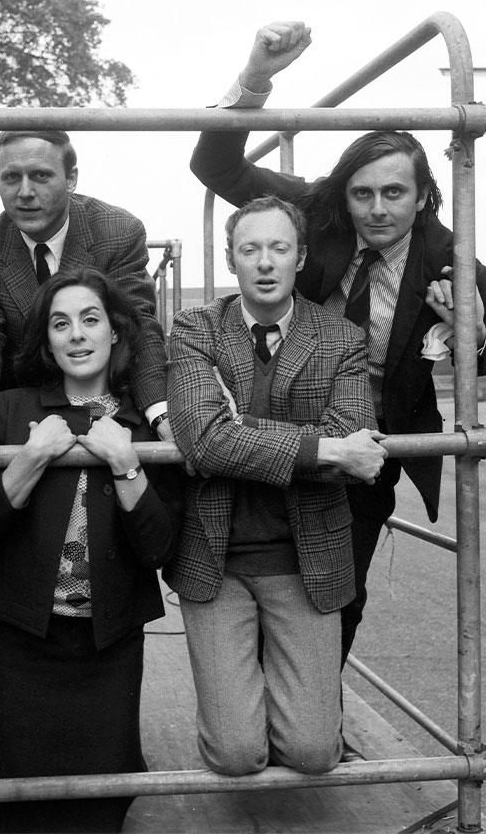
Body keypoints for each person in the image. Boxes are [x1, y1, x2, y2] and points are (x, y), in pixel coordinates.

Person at [189, 21, 486, 669]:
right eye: (364, 193)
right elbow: (212, 165)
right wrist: (256, 75)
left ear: (423, 198)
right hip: (271, 420)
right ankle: (249, 708)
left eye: (395, 193)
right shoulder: (316, 212)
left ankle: (313, 713)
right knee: (252, 576)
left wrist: (473, 331)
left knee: (339, 594)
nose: (377, 208)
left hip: (366, 446)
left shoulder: (452, 264)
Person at [164, 196, 387, 776]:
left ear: (300, 257)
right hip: (217, 562)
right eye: (250, 249)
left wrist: (235, 430)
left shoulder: (342, 338)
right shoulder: (195, 328)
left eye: (279, 248)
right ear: (233, 260)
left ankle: (284, 706)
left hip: (305, 559)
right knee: (236, 756)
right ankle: (240, 709)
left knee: (313, 755)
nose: (265, 263)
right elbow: (202, 439)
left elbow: (351, 436)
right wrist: (321, 446)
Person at [0, 267, 183, 833]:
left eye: (90, 319)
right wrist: (29, 459)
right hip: (18, 638)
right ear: (46, 340)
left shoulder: (150, 423)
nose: (77, 335)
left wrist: (127, 462)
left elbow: (160, 547)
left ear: (114, 333)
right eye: (61, 324)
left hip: (106, 642)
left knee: (98, 815)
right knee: (7, 813)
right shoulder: (10, 410)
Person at [0, 129, 172, 454]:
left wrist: (161, 413)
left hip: (105, 397)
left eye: (40, 176)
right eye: (10, 178)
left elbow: (138, 325)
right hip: (22, 401)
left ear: (71, 178)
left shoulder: (117, 232)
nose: (24, 192)